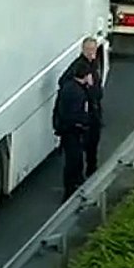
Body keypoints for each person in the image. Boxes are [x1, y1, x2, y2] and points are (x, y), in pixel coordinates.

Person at [61, 38, 103, 176]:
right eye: (89, 50)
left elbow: (98, 92)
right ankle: (79, 178)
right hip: (83, 115)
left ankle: (91, 170)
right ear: (83, 50)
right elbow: (63, 82)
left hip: (93, 114)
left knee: (93, 147)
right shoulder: (78, 66)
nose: (92, 53)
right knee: (77, 153)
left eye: (94, 50)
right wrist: (84, 84)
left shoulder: (94, 65)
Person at [54, 57, 94, 202]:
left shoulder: (67, 87)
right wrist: (85, 124)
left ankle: (72, 186)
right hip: (74, 131)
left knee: (72, 160)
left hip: (65, 129)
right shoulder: (79, 93)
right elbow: (79, 114)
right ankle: (70, 190)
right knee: (74, 160)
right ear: (85, 76)